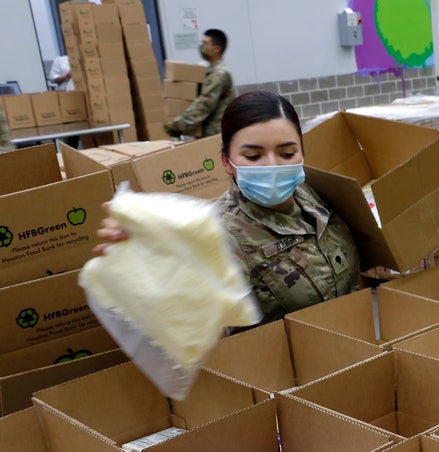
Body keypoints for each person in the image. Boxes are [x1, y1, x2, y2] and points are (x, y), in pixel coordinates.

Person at [100, 91, 361, 324]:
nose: (272, 165)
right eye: (253, 156)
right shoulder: (218, 233)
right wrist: (139, 258)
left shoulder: (315, 196)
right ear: (227, 162)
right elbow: (188, 313)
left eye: (287, 153)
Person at [165, 28, 234, 138]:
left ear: (216, 49)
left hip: (216, 135)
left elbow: (203, 105)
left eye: (205, 43)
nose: (202, 47)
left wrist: (178, 125)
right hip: (209, 134)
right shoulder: (209, 71)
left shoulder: (220, 74)